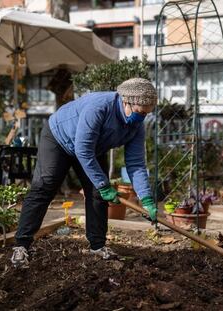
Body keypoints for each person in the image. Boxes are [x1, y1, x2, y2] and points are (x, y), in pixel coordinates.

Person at [11, 78, 158, 267]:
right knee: (44, 185)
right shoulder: (99, 107)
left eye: (146, 114)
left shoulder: (136, 126)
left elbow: (136, 163)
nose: (142, 117)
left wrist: (146, 198)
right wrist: (104, 185)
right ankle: (21, 245)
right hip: (59, 138)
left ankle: (97, 246)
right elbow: (83, 150)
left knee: (97, 194)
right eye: (140, 112)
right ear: (126, 101)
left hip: (92, 148)